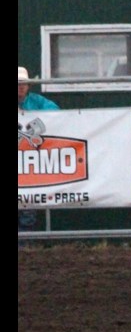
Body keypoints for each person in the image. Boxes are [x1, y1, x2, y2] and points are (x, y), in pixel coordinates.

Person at [19, 66, 59, 235]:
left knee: (28, 199)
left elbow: (57, 114)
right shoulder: (37, 102)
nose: (20, 87)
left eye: (23, 84)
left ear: (28, 86)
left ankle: (25, 244)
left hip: (30, 161)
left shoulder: (37, 102)